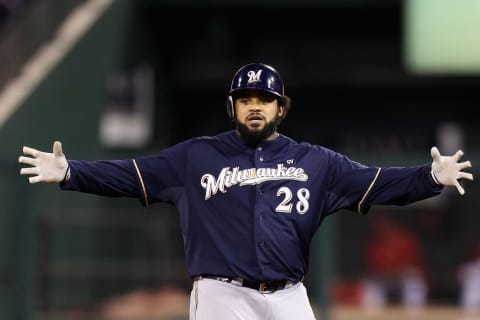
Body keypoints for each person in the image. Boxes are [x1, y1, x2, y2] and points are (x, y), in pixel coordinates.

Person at [18, 62, 473, 320]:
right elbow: (130, 174)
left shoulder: (316, 162)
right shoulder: (195, 157)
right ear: (233, 107)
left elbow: (375, 184)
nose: (255, 106)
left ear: (281, 108)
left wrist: (428, 178)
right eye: (245, 99)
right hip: (222, 294)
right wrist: (72, 172)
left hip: (289, 295)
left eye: (264, 99)